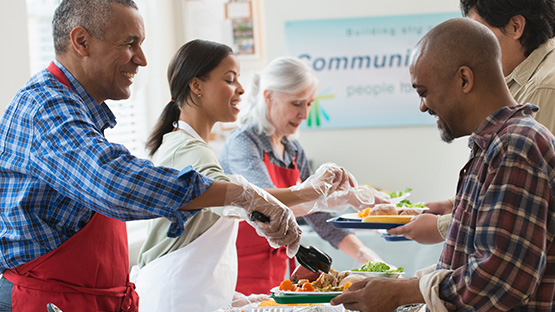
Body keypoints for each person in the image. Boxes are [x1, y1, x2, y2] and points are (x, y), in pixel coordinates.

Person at [0, 1, 303, 311]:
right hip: (45, 300)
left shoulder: (78, 114)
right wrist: (243, 195)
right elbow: (116, 184)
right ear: (82, 42)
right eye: (131, 44)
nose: (142, 60)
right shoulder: (48, 109)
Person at [331, 17, 555, 312]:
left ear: (464, 79)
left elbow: (500, 279)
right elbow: (466, 264)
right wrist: (398, 288)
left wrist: (403, 293)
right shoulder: (491, 146)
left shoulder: (515, 145)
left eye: (423, 92)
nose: (422, 106)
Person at [132, 40, 368, 311]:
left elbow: (199, 234)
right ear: (196, 86)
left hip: (195, 293)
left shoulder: (190, 145)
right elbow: (230, 195)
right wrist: (311, 192)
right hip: (178, 298)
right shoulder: (189, 148)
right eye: (230, 80)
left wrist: (229, 296)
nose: (242, 89)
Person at [388, 0, 555, 244]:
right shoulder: (522, 82)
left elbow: (521, 195)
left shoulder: (543, 86)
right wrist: (453, 205)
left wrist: (443, 227)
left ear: (516, 26)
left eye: (480, 32)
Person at [219, 56, 387, 296]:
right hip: (239, 271)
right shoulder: (243, 144)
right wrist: (342, 199)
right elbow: (267, 208)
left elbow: (320, 218)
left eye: (309, 104)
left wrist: (365, 256)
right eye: (297, 103)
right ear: (268, 96)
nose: (305, 114)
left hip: (278, 270)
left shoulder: (293, 150)